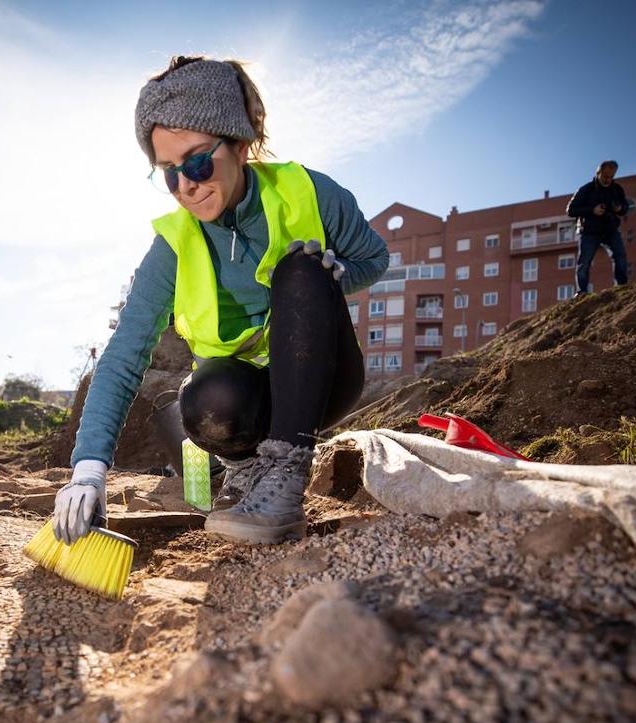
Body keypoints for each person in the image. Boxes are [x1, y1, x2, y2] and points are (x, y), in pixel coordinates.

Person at [52, 56, 389, 546]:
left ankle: (284, 479)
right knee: (207, 400)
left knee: (301, 267)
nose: (186, 185)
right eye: (168, 172)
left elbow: (373, 259)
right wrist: (87, 471)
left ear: (239, 141)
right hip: (239, 399)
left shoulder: (310, 194)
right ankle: (241, 468)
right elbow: (123, 358)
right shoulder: (173, 245)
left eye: (196, 161)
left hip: (319, 381)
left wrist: (334, 275)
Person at [566, 160, 630, 297]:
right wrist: (592, 210)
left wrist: (620, 208)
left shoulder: (617, 189)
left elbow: (625, 207)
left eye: (612, 177)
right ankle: (581, 291)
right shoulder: (586, 189)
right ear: (598, 173)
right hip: (589, 231)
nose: (608, 180)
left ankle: (622, 286)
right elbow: (570, 210)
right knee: (584, 262)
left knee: (620, 256)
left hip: (610, 229)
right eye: (606, 176)